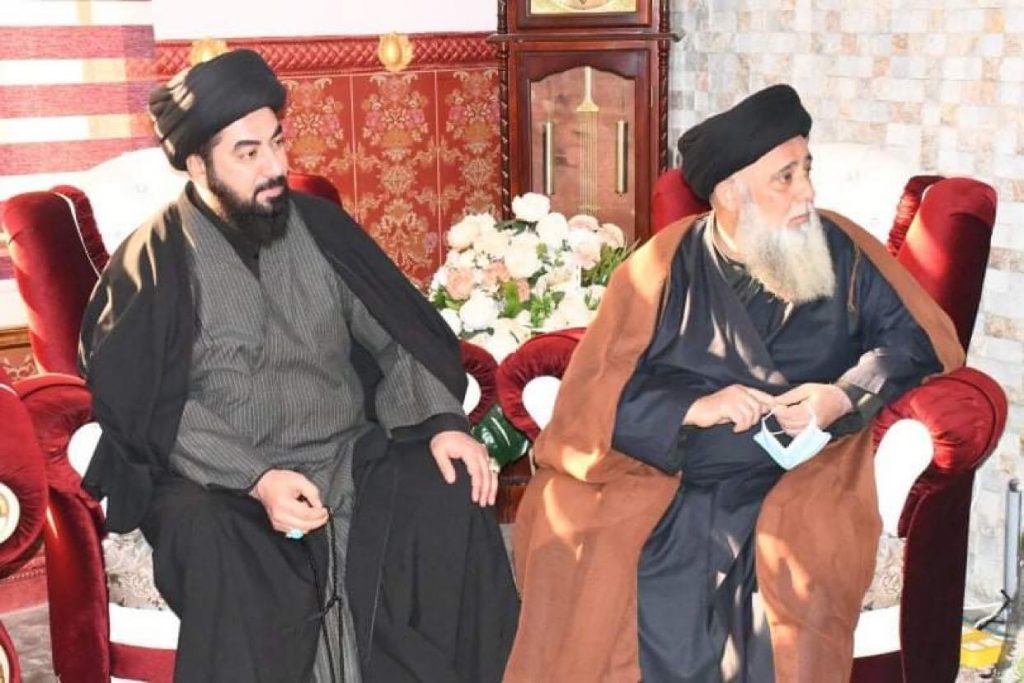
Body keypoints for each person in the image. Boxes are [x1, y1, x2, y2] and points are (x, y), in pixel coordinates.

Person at [78, 48, 518, 683]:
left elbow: (397, 339)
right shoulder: (152, 263)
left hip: (348, 454)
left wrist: (442, 421)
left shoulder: (321, 230)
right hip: (220, 481)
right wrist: (257, 479)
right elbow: (153, 408)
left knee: (449, 487)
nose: (275, 167)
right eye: (248, 153)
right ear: (198, 164)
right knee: (219, 545)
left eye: (277, 143)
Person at [505, 84, 964, 682]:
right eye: (785, 178)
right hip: (671, 467)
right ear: (728, 194)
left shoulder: (842, 248)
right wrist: (691, 408)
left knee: (776, 581)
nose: (807, 192)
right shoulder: (661, 266)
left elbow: (915, 342)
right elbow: (593, 391)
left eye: (806, 170)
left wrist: (840, 396)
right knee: (590, 541)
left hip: (801, 471)